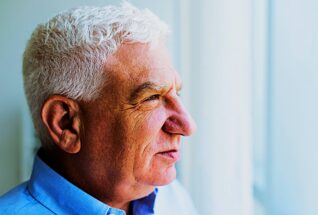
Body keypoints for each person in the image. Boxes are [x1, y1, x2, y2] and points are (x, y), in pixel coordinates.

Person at [0, 2, 197, 215]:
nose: (187, 126)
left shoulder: (173, 198)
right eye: (151, 98)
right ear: (66, 124)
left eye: (176, 92)